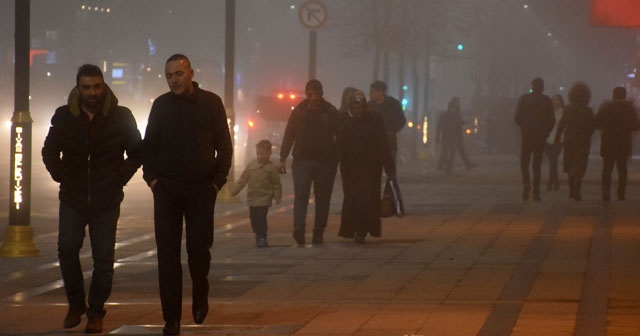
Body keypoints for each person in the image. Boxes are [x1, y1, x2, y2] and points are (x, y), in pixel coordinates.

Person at [42, 64, 142, 333]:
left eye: (96, 86)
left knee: (104, 259)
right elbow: (49, 151)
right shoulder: (64, 117)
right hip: (73, 197)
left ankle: (95, 312)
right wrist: (61, 175)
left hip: (106, 198)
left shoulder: (121, 117)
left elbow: (137, 152)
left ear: (103, 85)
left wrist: (119, 177)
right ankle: (76, 304)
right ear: (78, 88)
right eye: (86, 87)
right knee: (66, 250)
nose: (92, 92)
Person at [142, 54, 233, 336]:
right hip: (167, 189)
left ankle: (200, 292)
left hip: (201, 189)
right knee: (167, 256)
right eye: (169, 76)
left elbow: (224, 147)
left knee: (198, 249)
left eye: (178, 74)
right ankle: (172, 319)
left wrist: (217, 182)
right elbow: (149, 146)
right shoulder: (161, 106)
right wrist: (153, 179)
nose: (174, 80)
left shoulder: (211, 103)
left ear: (191, 73)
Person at [279, 79, 341, 246]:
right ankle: (299, 227)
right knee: (301, 195)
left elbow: (340, 136)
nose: (312, 98)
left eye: (315, 94)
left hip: (325, 162)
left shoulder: (331, 112)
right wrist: (282, 158)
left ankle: (318, 232)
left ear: (321, 93)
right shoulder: (299, 111)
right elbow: (289, 135)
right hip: (302, 161)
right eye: (310, 94)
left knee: (322, 199)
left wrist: (337, 159)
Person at [337, 90, 395, 243]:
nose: (356, 111)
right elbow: (339, 144)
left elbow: (383, 143)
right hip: (350, 167)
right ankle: (354, 229)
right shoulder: (345, 120)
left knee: (366, 199)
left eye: (358, 108)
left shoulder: (374, 119)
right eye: (353, 108)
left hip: (370, 167)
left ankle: (361, 230)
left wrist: (390, 168)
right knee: (352, 199)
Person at [230, 139, 282, 247]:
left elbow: (276, 184)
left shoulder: (271, 168)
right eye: (258, 153)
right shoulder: (251, 166)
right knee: (253, 219)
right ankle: (258, 234)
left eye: (262, 153)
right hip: (252, 198)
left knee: (261, 218)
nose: (260, 156)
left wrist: (277, 196)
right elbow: (242, 180)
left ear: (269, 153)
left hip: (264, 198)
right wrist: (235, 190)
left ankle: (262, 237)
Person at [594, 86, 640, 201]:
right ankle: (621, 191)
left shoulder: (606, 107)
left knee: (607, 169)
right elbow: (636, 126)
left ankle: (605, 190)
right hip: (623, 143)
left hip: (608, 142)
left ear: (613, 95)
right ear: (624, 95)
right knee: (622, 168)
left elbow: (596, 123)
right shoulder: (628, 108)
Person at [514, 77, 555, 201]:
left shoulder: (524, 99)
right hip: (540, 136)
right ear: (542, 87)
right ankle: (536, 192)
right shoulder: (546, 100)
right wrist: (546, 131)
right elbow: (551, 119)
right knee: (537, 164)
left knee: (524, 162)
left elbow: (517, 117)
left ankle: (526, 183)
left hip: (527, 134)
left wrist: (524, 126)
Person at [369, 80, 406, 215]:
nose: (370, 94)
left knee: (390, 174)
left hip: (389, 143)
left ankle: (393, 202)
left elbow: (402, 120)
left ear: (380, 92)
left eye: (372, 92)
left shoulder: (393, 104)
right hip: (373, 145)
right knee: (374, 174)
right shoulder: (369, 106)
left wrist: (392, 130)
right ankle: (377, 203)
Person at [554, 82, 594, 201]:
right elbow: (592, 126)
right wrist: (588, 136)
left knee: (570, 165)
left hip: (569, 140)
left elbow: (562, 124)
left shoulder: (568, 109)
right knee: (580, 165)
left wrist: (557, 138)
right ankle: (577, 189)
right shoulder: (588, 110)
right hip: (583, 141)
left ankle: (572, 190)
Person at [436, 97, 476, 173]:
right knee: (450, 152)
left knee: (449, 151)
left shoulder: (455, 114)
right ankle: (447, 167)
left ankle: (443, 166)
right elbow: (443, 125)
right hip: (450, 135)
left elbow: (457, 123)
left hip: (454, 135)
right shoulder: (449, 114)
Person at [545, 94, 565, 191]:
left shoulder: (564, 113)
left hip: (559, 139)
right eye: (553, 100)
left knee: (553, 161)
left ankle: (550, 184)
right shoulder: (547, 112)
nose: (555, 102)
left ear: (561, 101)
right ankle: (555, 183)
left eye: (557, 100)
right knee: (552, 162)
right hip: (547, 139)